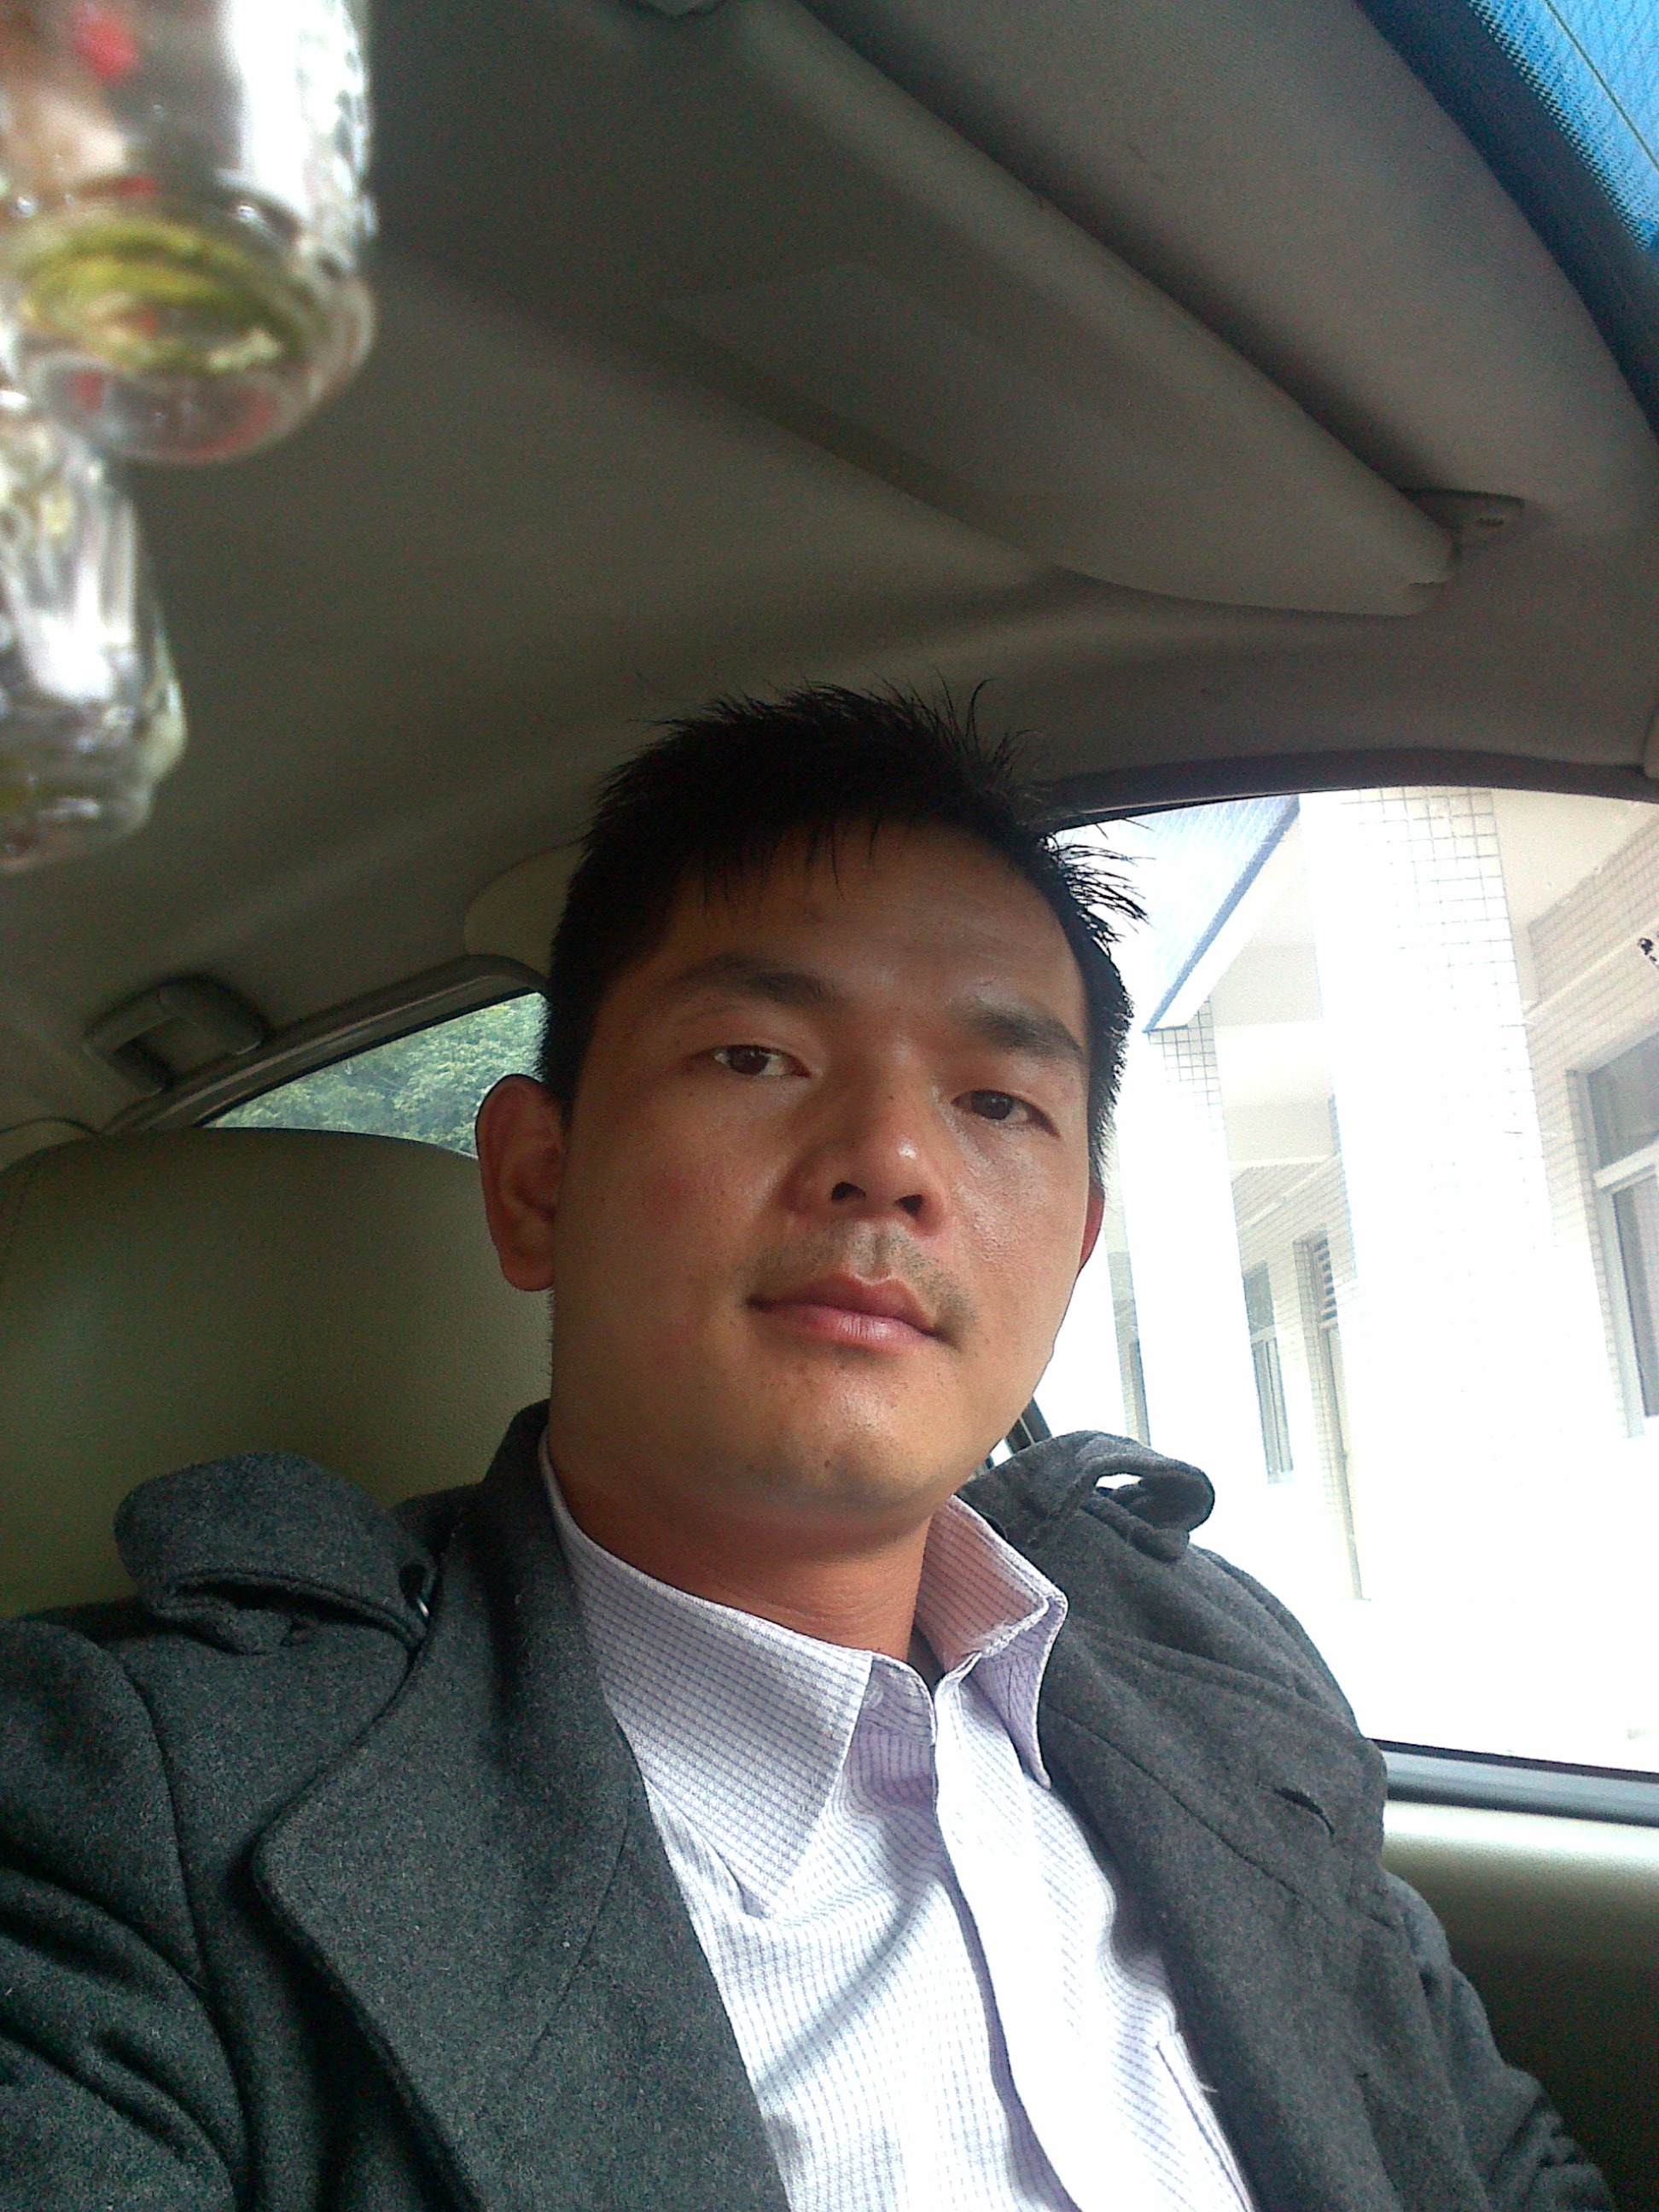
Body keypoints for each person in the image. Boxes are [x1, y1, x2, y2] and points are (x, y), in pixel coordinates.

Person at [0, 689, 1611, 2211]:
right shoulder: (130, 1803)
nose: (892, 1161)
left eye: (999, 1101)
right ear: (538, 1185)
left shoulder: (1210, 1659)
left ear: (1073, 1247)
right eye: (755, 1057)